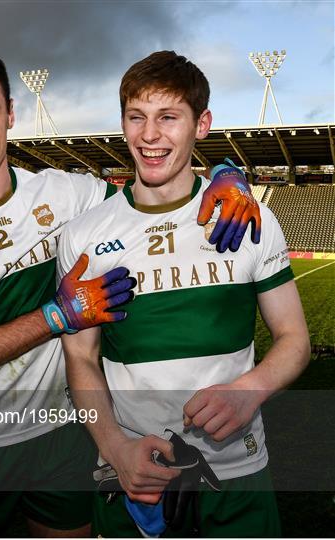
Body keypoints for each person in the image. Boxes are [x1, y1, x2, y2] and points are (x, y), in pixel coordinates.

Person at [0, 46, 262, 538]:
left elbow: (157, 189)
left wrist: (227, 175)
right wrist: (59, 315)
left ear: (10, 114)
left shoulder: (65, 193)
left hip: (65, 431)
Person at [58, 50, 310, 537]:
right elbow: (81, 359)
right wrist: (113, 447)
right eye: (137, 117)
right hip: (132, 477)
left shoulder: (246, 216)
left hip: (238, 474)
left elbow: (293, 338)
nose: (150, 135)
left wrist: (250, 392)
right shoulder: (83, 236)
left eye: (168, 117)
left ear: (202, 125)